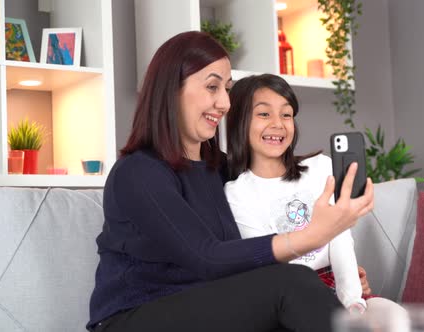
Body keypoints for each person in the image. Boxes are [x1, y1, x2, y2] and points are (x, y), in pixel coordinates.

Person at [86, 31, 374, 332]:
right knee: (292, 284)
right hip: (133, 318)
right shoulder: (138, 172)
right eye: (212, 87)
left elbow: (253, 256)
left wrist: (331, 283)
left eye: (227, 89)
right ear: (172, 89)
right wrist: (313, 236)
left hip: (210, 310)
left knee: (298, 297)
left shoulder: (222, 170)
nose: (224, 103)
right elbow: (206, 256)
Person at [224, 74, 410, 330]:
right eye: (264, 114)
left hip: (341, 285)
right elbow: (266, 261)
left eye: (287, 114)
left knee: (397, 319)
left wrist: (352, 297)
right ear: (238, 122)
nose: (278, 124)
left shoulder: (320, 169)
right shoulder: (237, 193)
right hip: (289, 297)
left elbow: (341, 238)